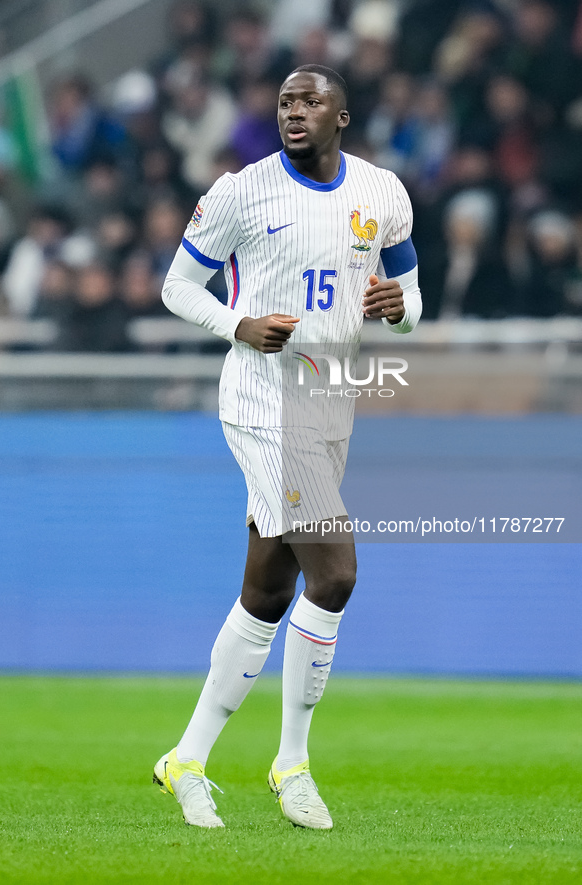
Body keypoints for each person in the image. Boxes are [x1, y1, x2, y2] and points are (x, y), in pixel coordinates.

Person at [156, 64, 422, 830]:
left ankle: (186, 759)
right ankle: (292, 762)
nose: (293, 111)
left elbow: (411, 300)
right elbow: (178, 285)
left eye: (310, 101)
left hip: (330, 400)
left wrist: (398, 308)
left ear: (342, 115)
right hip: (261, 400)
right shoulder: (241, 191)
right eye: (284, 102)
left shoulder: (382, 192)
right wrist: (236, 323)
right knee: (334, 572)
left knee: (268, 592)